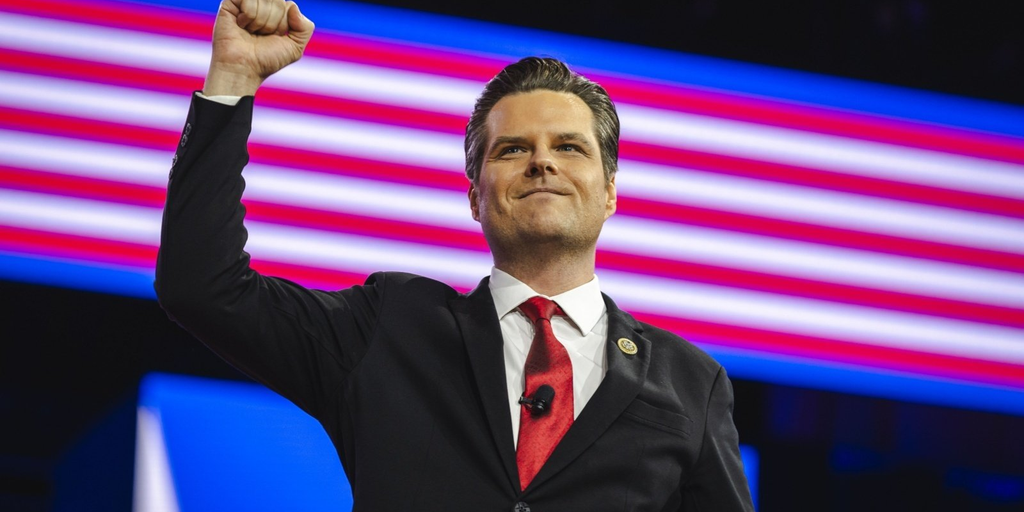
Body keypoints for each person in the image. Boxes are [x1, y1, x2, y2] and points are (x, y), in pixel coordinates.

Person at [156, 0, 754, 510]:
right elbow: (202, 287)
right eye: (512, 149)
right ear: (474, 197)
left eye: (569, 147)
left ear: (611, 193)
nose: (541, 162)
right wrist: (233, 77)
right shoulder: (387, 327)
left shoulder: (690, 382)